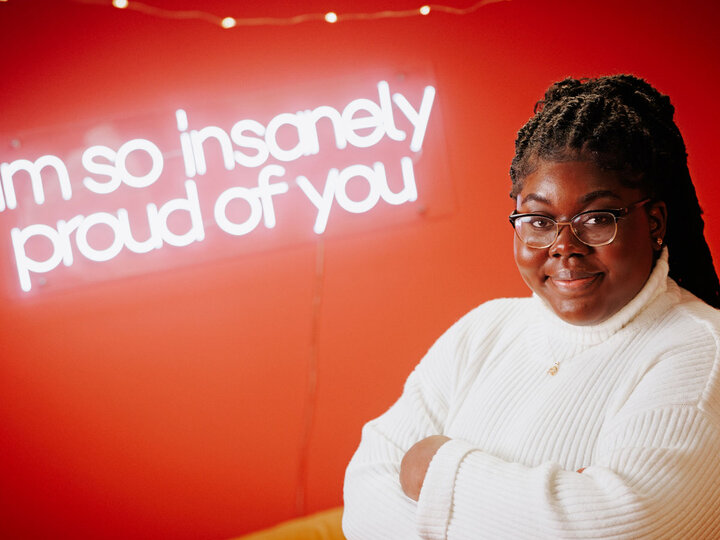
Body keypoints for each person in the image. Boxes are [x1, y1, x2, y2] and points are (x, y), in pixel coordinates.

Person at [342, 75, 720, 539]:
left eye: (597, 218)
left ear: (655, 222)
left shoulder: (702, 350)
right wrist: (545, 510)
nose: (564, 247)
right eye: (539, 220)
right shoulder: (483, 329)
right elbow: (364, 499)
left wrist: (436, 468)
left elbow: (622, 526)